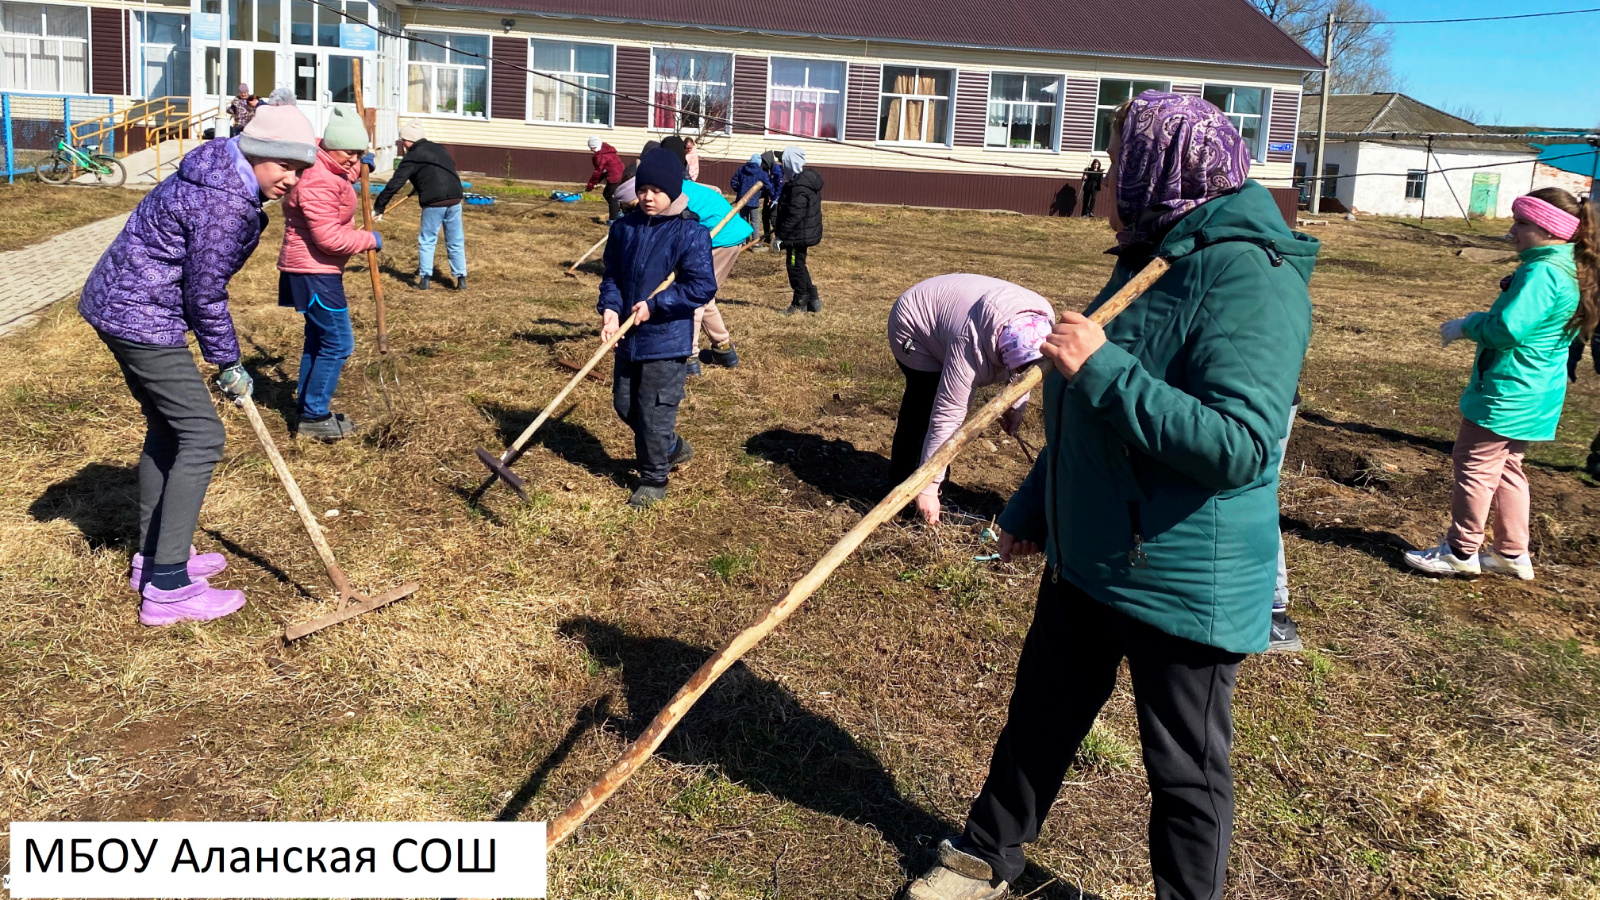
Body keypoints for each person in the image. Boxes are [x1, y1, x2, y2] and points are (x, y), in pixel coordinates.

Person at [906, 91, 1316, 900]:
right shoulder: (1153, 250)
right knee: (1039, 721)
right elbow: (1089, 418)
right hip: (1092, 550)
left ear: (1163, 167)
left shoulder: (1249, 277)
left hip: (1181, 574)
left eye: (1122, 161)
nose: (1107, 183)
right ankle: (986, 857)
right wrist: (1030, 510)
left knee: (1185, 771)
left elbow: (1238, 445)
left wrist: (1103, 366)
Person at [76, 106, 317, 626]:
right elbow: (205, 293)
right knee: (202, 436)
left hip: (119, 303)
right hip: (140, 316)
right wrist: (228, 360)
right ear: (255, 150)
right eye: (284, 166)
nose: (292, 180)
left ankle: (156, 559)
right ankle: (168, 589)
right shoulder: (226, 202)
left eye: (300, 170)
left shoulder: (215, 164)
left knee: (169, 429)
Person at [1405, 187, 1595, 581]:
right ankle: (1511, 552)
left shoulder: (1542, 272)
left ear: (1550, 228)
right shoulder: (1564, 266)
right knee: (1509, 468)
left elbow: (1508, 329)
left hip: (1509, 390)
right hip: (1537, 392)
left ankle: (1460, 550)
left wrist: (1467, 324)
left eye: (1523, 222)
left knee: (1473, 466)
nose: (1513, 230)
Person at [597, 149, 718, 509]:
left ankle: (654, 477)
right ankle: (670, 447)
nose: (648, 197)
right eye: (643, 188)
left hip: (666, 339)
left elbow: (701, 287)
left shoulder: (690, 233)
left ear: (674, 190)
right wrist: (610, 311)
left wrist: (656, 305)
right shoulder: (624, 228)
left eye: (657, 190)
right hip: (628, 337)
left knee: (653, 412)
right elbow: (613, 276)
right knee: (624, 405)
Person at [887, 274, 1055, 524]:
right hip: (914, 321)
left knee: (935, 416)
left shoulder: (1042, 322)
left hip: (961, 317)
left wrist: (1016, 405)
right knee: (924, 405)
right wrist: (928, 488)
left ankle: (934, 486)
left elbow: (1026, 366)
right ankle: (902, 494)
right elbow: (946, 418)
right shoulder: (969, 347)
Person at [277, 105, 381, 442]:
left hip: (311, 269)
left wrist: (358, 167)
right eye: (349, 151)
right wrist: (369, 239)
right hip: (313, 271)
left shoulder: (325, 164)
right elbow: (329, 238)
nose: (353, 158)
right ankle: (314, 416)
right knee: (338, 342)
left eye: (359, 152)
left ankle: (309, 407)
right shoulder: (317, 180)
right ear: (331, 145)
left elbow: (337, 176)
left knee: (319, 340)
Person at [373, 120, 466, 292]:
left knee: (428, 239)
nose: (403, 145)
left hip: (434, 202)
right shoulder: (440, 148)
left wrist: (379, 207)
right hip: (455, 197)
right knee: (455, 239)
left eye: (403, 141)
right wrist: (420, 183)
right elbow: (444, 170)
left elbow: (395, 184)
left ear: (408, 140)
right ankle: (461, 279)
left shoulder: (412, 156)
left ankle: (425, 279)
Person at [680, 177, 754, 369]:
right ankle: (724, 349)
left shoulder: (671, 193)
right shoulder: (684, 185)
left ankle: (689, 357)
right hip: (731, 235)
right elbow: (715, 188)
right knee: (705, 296)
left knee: (694, 295)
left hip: (719, 238)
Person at [775, 146, 823, 316]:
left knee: (794, 266)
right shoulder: (802, 182)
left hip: (797, 235)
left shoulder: (799, 187)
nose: (780, 165)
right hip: (802, 233)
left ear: (790, 163)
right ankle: (813, 300)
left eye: (783, 162)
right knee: (799, 265)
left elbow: (795, 215)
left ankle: (799, 302)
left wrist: (780, 236)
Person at [729, 153, 772, 240]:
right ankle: (755, 242)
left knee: (743, 221)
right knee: (755, 221)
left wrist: (739, 190)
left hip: (742, 200)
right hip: (754, 200)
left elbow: (733, 182)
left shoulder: (741, 170)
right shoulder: (761, 173)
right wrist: (766, 194)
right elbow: (768, 186)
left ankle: (743, 241)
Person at [584, 136, 625, 222]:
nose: (591, 150)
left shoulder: (602, 156)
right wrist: (596, 182)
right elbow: (603, 171)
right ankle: (618, 213)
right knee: (608, 194)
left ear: (597, 146)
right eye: (590, 148)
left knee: (610, 196)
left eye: (593, 147)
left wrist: (590, 185)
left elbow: (598, 171)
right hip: (619, 174)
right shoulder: (607, 150)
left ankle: (613, 219)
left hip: (615, 177)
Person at [758, 149, 786, 250]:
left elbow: (779, 187)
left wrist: (774, 200)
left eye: (764, 162)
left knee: (774, 219)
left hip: (775, 200)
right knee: (765, 216)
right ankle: (767, 237)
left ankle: (779, 240)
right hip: (768, 197)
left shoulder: (777, 171)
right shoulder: (767, 171)